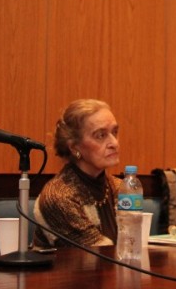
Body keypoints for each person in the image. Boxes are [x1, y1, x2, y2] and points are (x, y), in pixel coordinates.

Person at [33, 99, 122, 248]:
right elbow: (100, 255)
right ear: (75, 147)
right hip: (65, 271)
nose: (114, 143)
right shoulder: (59, 196)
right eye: (100, 135)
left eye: (114, 132)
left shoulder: (119, 187)